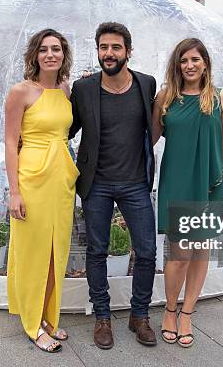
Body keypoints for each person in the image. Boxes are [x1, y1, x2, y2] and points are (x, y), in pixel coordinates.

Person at [69, 22, 158, 349]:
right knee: (96, 251)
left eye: (116, 48)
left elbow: (156, 125)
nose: (109, 53)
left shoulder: (146, 85)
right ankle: (102, 317)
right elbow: (67, 128)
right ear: (98, 51)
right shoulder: (84, 89)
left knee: (147, 251)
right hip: (97, 184)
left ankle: (140, 315)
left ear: (127, 52)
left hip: (136, 184)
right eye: (104, 47)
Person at [152, 38, 223, 348]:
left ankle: (187, 312)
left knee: (202, 250)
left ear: (205, 63)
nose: (189, 65)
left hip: (212, 183)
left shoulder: (221, 98)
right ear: (177, 65)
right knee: (180, 256)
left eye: (194, 59)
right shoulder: (166, 98)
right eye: (183, 60)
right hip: (177, 182)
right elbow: (147, 140)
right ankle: (170, 309)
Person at [5, 29, 79, 353]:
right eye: (45, 49)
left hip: (61, 179)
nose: (51, 54)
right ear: (35, 54)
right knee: (33, 252)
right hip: (31, 177)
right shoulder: (21, 92)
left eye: (57, 49)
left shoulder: (65, 90)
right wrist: (14, 192)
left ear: (64, 55)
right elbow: (10, 143)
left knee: (55, 252)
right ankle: (33, 324)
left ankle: (49, 317)